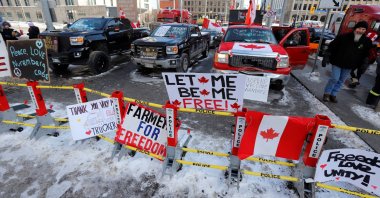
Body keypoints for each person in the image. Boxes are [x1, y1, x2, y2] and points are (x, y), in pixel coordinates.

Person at [321, 21, 372, 103]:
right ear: (355, 28)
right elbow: (332, 46)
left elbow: (366, 55)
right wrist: (326, 56)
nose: (360, 31)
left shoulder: (366, 41)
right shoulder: (344, 37)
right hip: (337, 62)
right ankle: (327, 93)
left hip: (350, 65)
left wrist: (364, 65)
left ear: (365, 31)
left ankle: (333, 94)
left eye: (363, 29)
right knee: (334, 78)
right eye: (359, 28)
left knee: (341, 81)